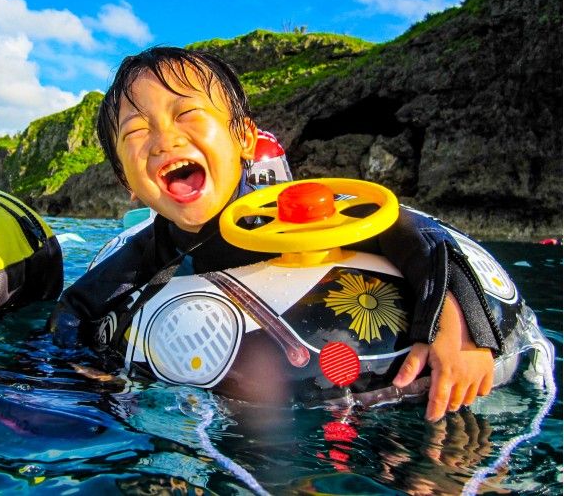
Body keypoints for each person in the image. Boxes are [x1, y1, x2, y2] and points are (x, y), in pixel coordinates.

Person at [50, 47, 500, 421]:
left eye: (186, 113)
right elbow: (76, 307)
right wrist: (81, 372)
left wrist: (459, 329)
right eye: (137, 130)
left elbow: (417, 234)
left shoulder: (290, 213)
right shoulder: (152, 248)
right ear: (128, 183)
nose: (165, 140)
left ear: (244, 139)